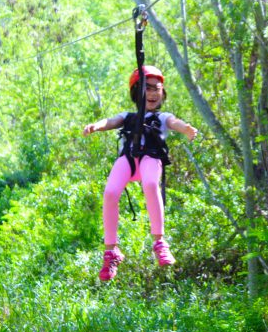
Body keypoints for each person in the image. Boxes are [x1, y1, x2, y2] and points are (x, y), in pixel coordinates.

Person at [83, 65, 198, 281]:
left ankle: (159, 241)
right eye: (148, 88)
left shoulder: (163, 117)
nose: (153, 93)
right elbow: (111, 121)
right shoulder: (128, 116)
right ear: (137, 93)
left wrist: (186, 129)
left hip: (150, 159)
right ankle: (111, 251)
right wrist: (96, 126)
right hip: (129, 159)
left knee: (151, 185)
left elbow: (174, 122)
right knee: (110, 193)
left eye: (157, 89)